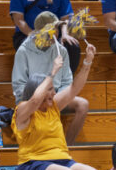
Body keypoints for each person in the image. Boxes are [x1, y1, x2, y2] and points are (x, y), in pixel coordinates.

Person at [11, 46, 99, 170]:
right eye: (50, 89)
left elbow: (75, 88)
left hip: (62, 161)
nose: (54, 92)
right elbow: (35, 100)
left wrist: (88, 61)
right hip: (33, 164)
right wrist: (52, 72)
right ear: (39, 89)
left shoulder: (53, 107)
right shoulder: (23, 110)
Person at [12, 11, 89, 145]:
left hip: (55, 97)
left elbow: (67, 82)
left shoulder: (61, 50)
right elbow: (19, 87)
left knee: (83, 104)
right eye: (52, 29)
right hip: (32, 99)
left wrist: (55, 97)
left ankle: (67, 147)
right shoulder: (23, 51)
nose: (56, 33)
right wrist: (41, 97)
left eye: (56, 29)